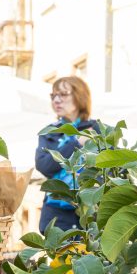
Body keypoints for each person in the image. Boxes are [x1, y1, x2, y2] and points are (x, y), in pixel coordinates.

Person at [35, 76, 99, 233]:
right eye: (53, 96)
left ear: (79, 96)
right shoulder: (50, 131)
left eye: (63, 94)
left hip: (91, 215)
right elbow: (44, 165)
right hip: (57, 216)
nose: (56, 100)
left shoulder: (97, 129)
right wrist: (76, 143)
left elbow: (110, 168)